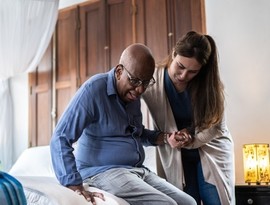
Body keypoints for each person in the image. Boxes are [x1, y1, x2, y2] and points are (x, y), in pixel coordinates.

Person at [50, 43, 196, 205]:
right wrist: (73, 184)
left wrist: (166, 137)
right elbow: (60, 137)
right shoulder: (93, 90)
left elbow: (137, 134)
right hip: (102, 172)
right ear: (119, 72)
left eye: (146, 83)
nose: (140, 89)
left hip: (136, 170)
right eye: (135, 81)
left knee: (188, 202)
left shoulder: (131, 96)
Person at [142, 31, 235, 205]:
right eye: (180, 66)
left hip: (210, 147)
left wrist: (189, 140)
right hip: (176, 153)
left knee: (214, 199)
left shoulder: (209, 86)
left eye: (193, 72)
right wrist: (167, 138)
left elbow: (216, 128)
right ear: (173, 54)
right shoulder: (152, 81)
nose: (184, 76)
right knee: (186, 199)